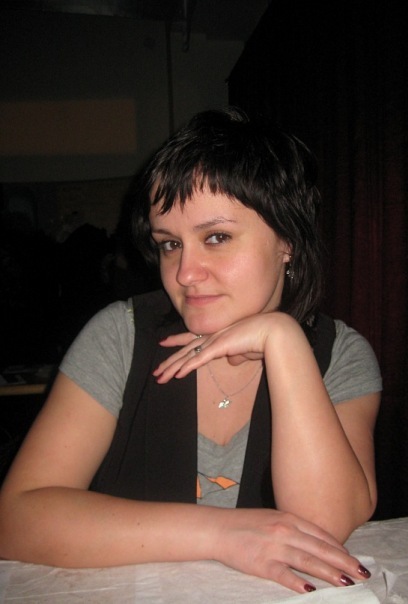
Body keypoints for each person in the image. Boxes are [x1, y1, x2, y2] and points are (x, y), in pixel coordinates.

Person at [0, 108, 381, 594]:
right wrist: (223, 535)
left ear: (288, 240)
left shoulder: (340, 354)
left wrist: (283, 341)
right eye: (169, 244)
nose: (184, 273)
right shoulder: (119, 336)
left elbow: (324, 526)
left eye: (216, 237)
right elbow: (15, 519)